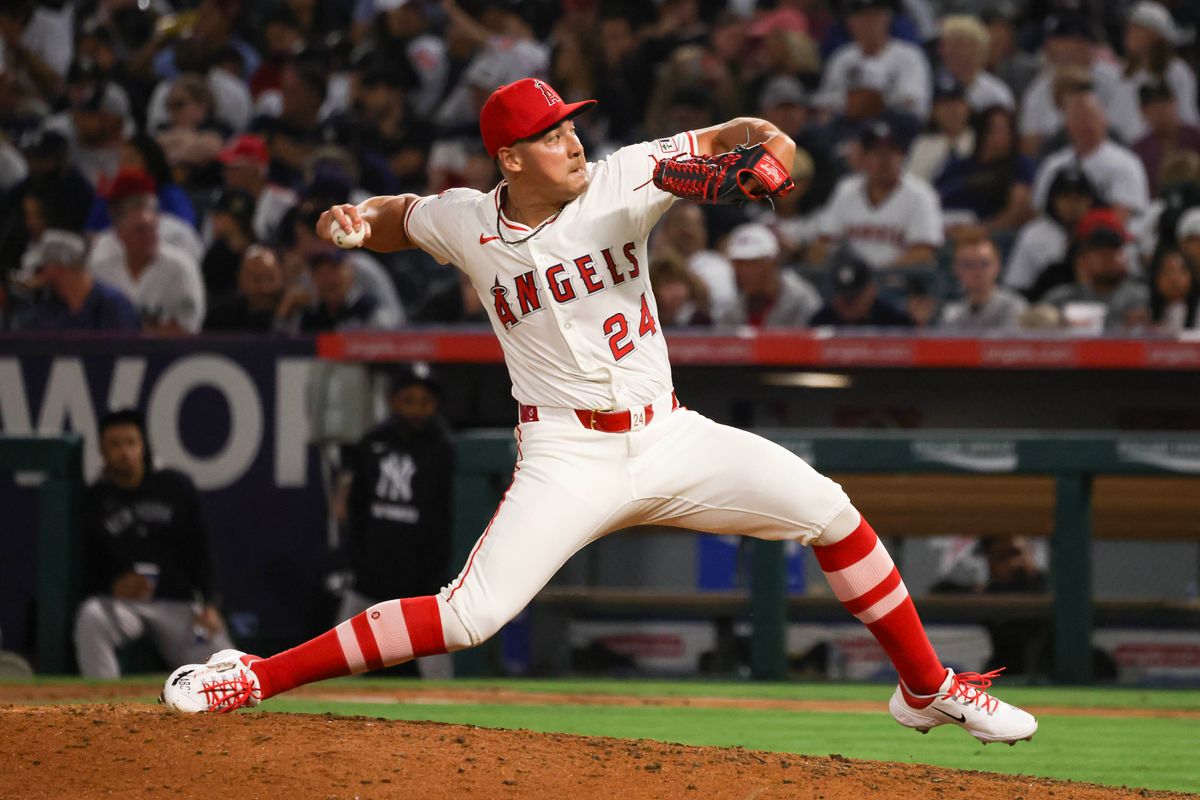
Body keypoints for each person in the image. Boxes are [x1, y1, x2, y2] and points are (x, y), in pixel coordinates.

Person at [161, 77, 1037, 746]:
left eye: (572, 124)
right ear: (509, 159)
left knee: (834, 514)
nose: (573, 141)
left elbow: (747, 136)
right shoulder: (469, 219)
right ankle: (258, 674)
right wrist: (358, 221)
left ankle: (924, 689)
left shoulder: (625, 177)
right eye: (550, 135)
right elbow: (406, 219)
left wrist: (773, 152)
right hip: (565, 456)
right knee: (468, 617)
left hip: (669, 433)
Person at [74, 409, 234, 679]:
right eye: (115, 444)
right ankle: (101, 706)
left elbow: (202, 549)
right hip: (125, 606)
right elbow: (86, 563)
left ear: (143, 445)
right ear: (102, 450)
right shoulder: (95, 501)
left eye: (131, 442)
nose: (124, 452)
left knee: (225, 668)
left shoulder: (174, 487)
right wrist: (111, 584)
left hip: (179, 607)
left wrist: (210, 604)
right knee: (91, 618)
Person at [337, 363, 457, 679]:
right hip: (371, 570)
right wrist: (355, 559)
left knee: (435, 658)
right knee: (342, 653)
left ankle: (450, 710)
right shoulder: (373, 442)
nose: (417, 409)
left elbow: (443, 517)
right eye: (409, 399)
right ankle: (327, 713)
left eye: (426, 401)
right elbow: (357, 507)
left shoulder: (443, 447)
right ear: (393, 400)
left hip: (421, 575)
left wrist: (436, 569)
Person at [811, 120, 944, 270]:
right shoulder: (846, 189)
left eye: (891, 153)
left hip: (898, 280)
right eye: (877, 153)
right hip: (848, 277)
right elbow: (824, 240)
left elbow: (923, 252)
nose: (884, 161)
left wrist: (877, 273)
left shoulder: (921, 194)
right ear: (864, 157)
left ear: (902, 156)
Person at [1041, 208, 1150, 332]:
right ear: (1083, 259)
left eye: (1117, 251)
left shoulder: (1143, 299)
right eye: (1103, 252)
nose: (1113, 258)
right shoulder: (1060, 300)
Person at [15, 229, 140, 332]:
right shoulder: (48, 309)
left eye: (41, 268)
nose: (38, 275)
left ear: (58, 268)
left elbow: (128, 355)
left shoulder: (112, 304)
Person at [716, 222, 821, 329]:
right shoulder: (730, 308)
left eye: (752, 263)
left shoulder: (802, 301)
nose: (743, 271)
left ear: (773, 262)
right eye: (738, 263)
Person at [938, 228, 1027, 332]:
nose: (977, 271)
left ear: (997, 266)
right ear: (956, 269)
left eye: (984, 264)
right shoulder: (951, 312)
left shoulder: (1014, 307)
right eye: (968, 265)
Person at [810, 252, 915, 328]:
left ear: (871, 290)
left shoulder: (894, 321)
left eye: (853, 298)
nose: (847, 305)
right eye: (843, 296)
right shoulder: (821, 321)